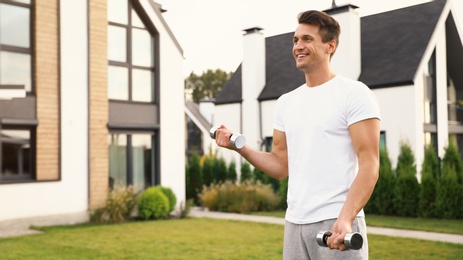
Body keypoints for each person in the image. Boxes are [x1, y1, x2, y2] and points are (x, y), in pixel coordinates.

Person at [214, 10, 380, 260]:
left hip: (336, 223)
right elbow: (281, 166)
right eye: (295, 40)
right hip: (294, 223)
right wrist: (240, 147)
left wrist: (346, 218)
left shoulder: (354, 94)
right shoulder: (286, 102)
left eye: (307, 39)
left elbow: (369, 164)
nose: (298, 46)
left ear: (330, 46)